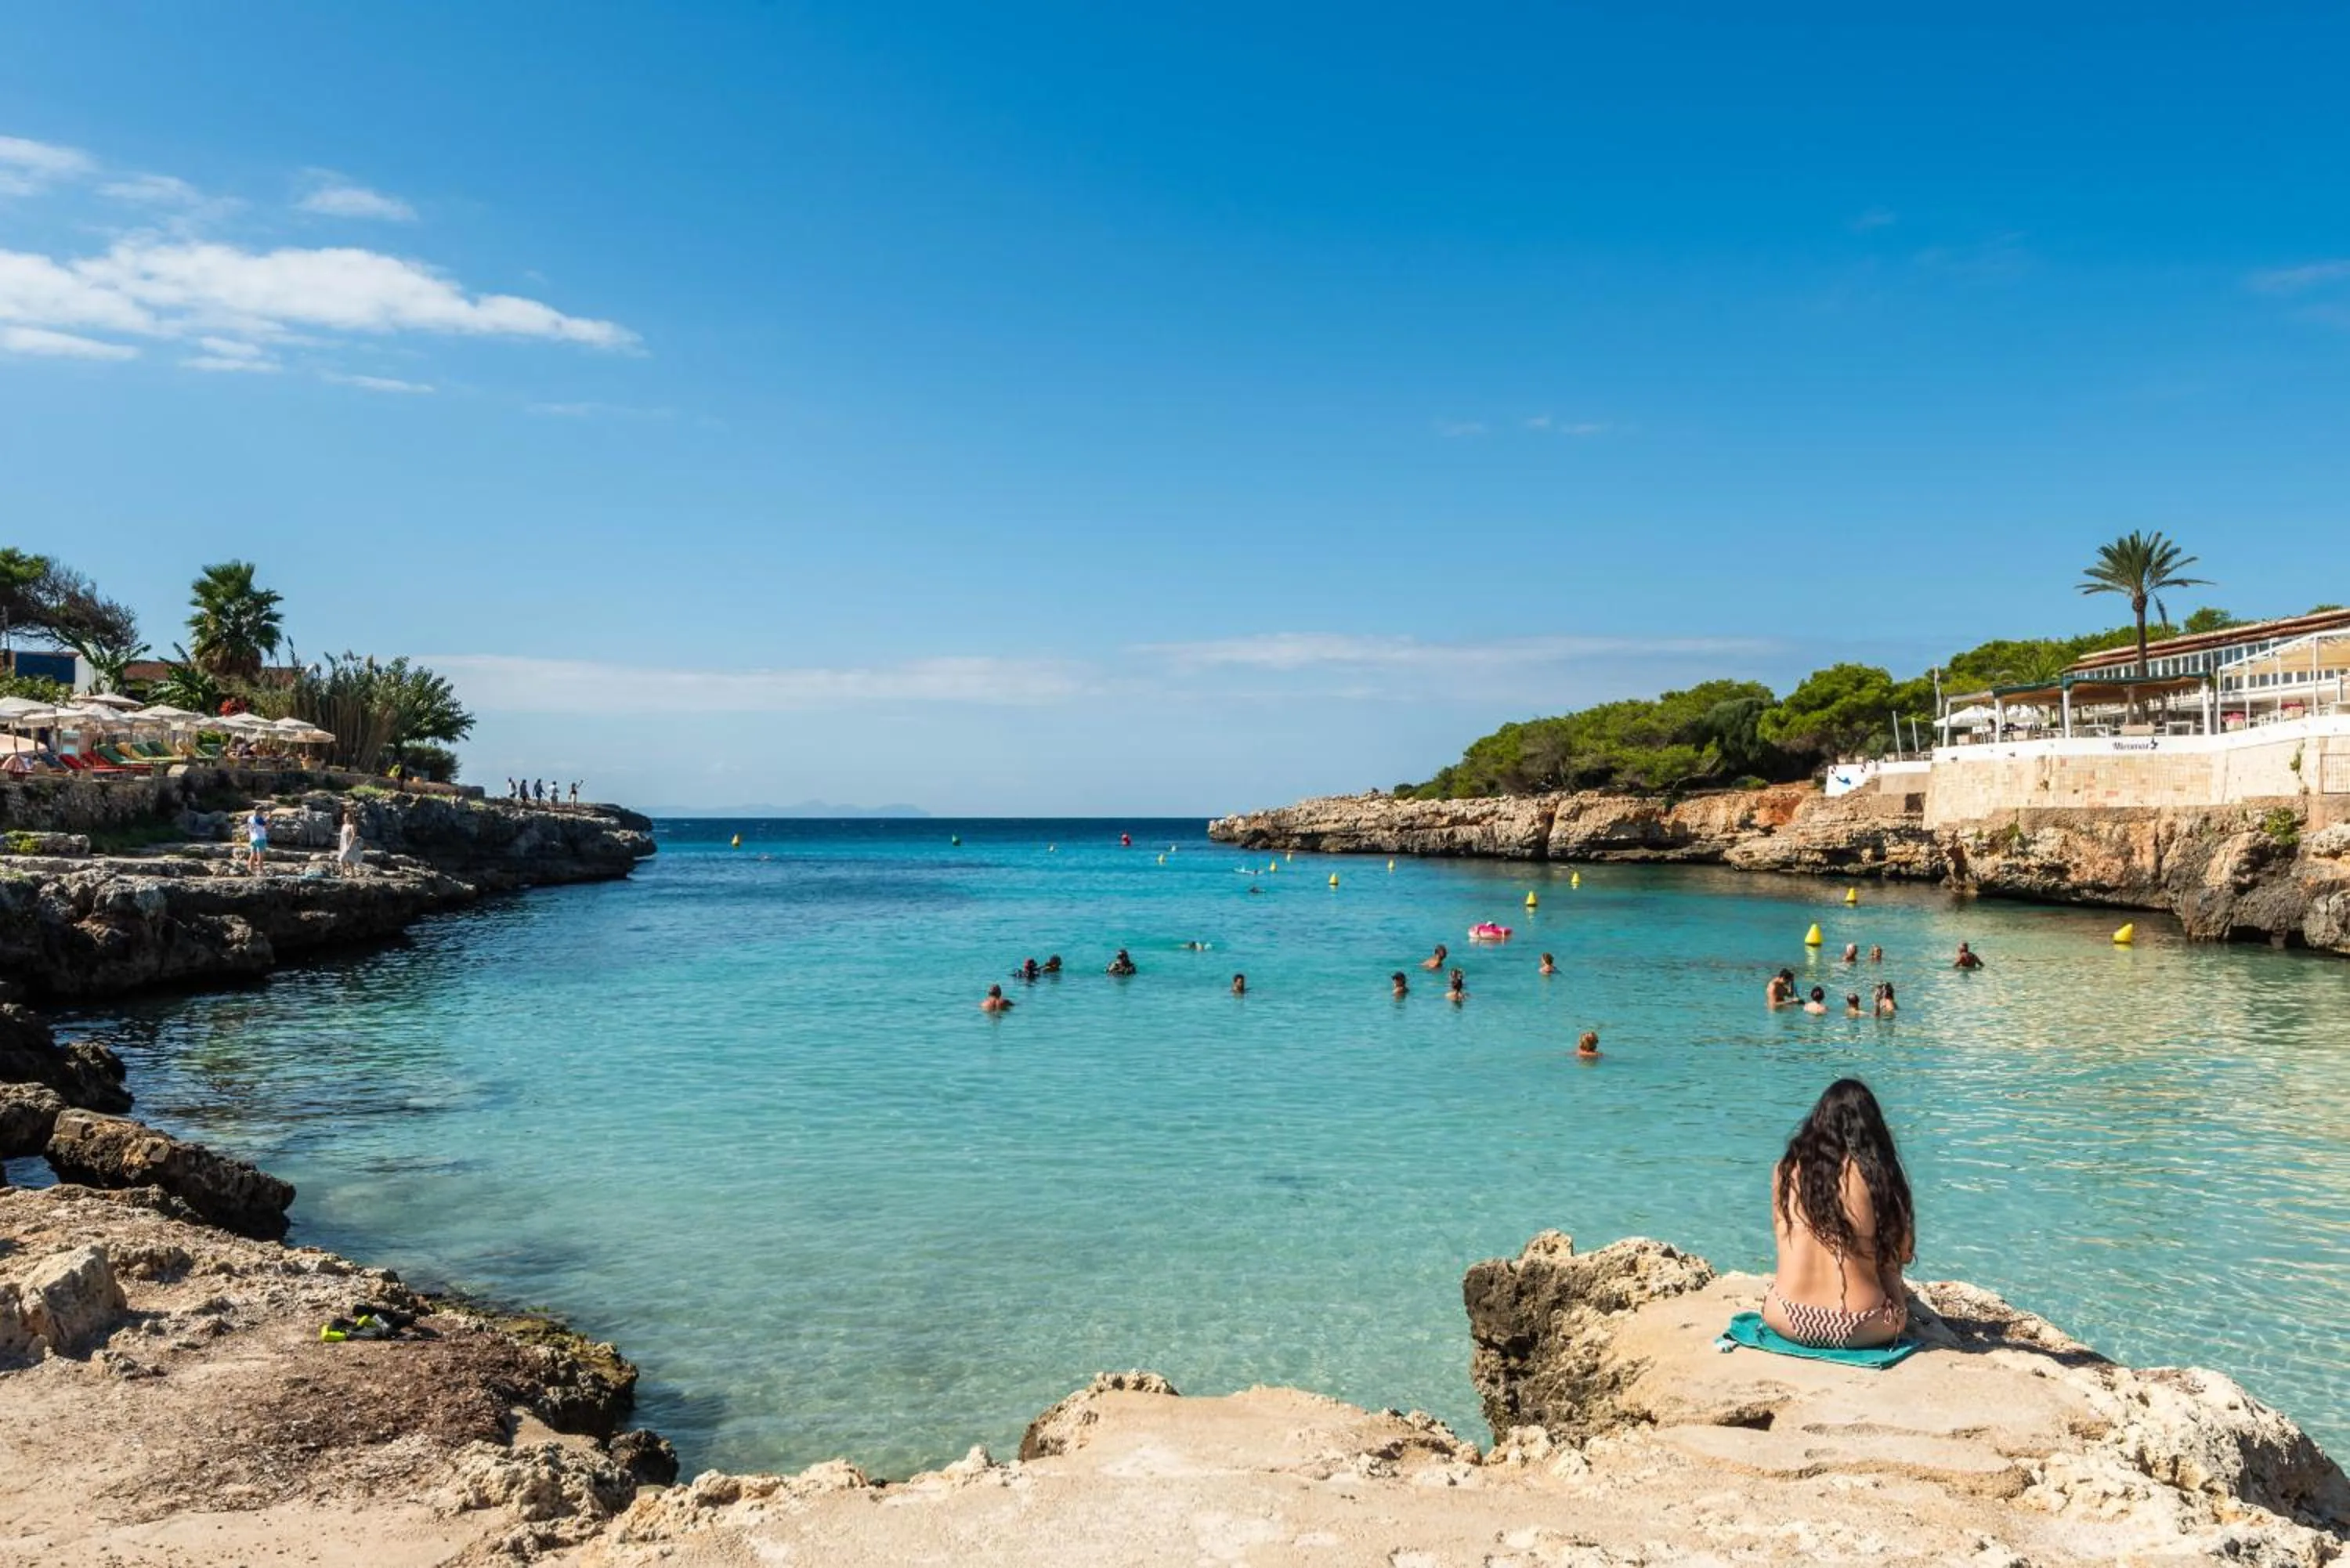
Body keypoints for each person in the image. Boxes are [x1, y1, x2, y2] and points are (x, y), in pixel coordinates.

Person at [1762, 1078, 1914, 1349]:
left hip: (1785, 1316)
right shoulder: (1878, 1175)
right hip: (1858, 1326)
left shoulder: (1785, 1169)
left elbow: (1781, 1236)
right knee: (1888, 1263)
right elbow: (1904, 1253)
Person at [335, 808, 363, 876]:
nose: (345, 818)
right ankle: (353, 874)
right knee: (349, 860)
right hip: (344, 845)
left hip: (350, 845)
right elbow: (342, 837)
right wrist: (341, 846)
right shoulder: (344, 826)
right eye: (344, 817)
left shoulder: (352, 826)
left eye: (347, 817)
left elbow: (354, 835)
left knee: (342, 859)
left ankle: (342, 874)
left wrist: (350, 845)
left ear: (350, 818)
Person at [245, 805, 269, 874]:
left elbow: (258, 824)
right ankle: (261, 870)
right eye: (262, 811)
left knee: (252, 854)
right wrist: (269, 819)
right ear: (259, 811)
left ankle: (251, 869)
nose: (263, 813)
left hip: (252, 838)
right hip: (260, 838)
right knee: (260, 855)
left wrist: (265, 818)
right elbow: (267, 826)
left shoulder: (250, 818)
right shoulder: (258, 819)